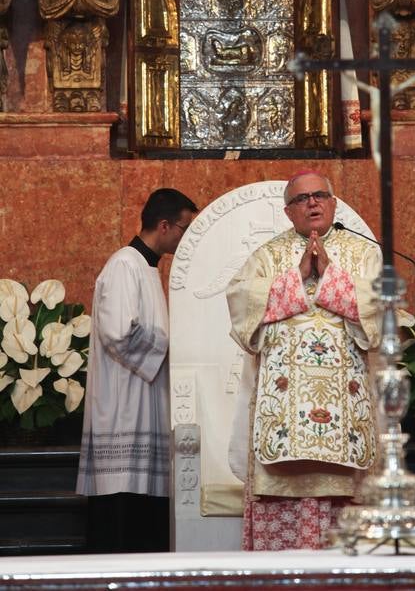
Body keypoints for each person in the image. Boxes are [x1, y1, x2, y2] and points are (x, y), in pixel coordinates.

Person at [226, 171, 382, 551]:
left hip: (345, 410)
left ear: (333, 202)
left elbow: (381, 306)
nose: (312, 203)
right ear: (288, 211)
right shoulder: (267, 255)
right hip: (285, 411)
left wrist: (329, 276)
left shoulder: (364, 253)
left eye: (319, 195)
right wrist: (296, 277)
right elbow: (241, 303)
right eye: (302, 199)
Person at [76, 187, 198, 553]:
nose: (186, 238)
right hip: (123, 408)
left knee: (145, 507)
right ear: (164, 225)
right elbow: (117, 332)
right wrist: (171, 348)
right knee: (123, 507)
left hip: (144, 400)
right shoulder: (123, 265)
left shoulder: (145, 268)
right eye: (185, 228)